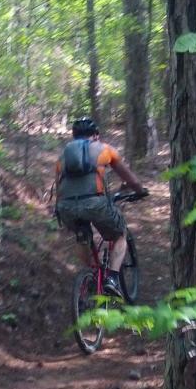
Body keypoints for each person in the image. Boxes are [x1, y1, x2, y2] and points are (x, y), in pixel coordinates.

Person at [52, 117, 149, 297]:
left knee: (82, 237)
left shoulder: (62, 157)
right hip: (94, 203)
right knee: (120, 235)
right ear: (96, 135)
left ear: (74, 136)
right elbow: (131, 180)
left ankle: (90, 275)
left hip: (66, 206)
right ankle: (111, 278)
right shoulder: (105, 149)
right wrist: (140, 190)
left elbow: (59, 188)